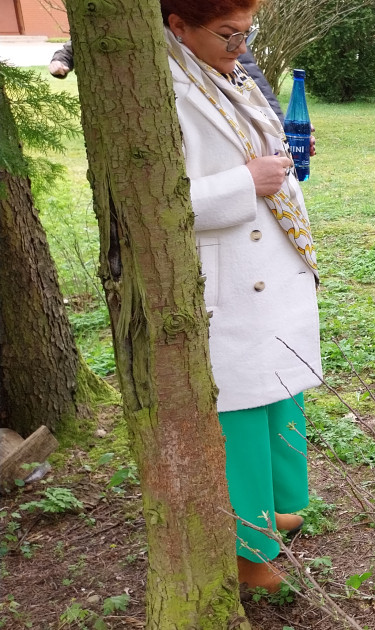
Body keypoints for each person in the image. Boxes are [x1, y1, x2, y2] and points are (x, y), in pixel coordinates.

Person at [162, 0, 322, 592]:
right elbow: (155, 200)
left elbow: (260, 141)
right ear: (178, 25)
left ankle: (280, 512)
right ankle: (250, 556)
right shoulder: (166, 89)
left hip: (271, 266)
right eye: (228, 34)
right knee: (244, 421)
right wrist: (245, 182)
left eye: (246, 33)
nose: (241, 46)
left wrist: (281, 163)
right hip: (229, 276)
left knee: (283, 396)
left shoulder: (226, 70)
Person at [49, 39, 284, 119]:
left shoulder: (221, 26)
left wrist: (282, 126)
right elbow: (98, 33)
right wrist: (64, 56)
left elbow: (252, 78)